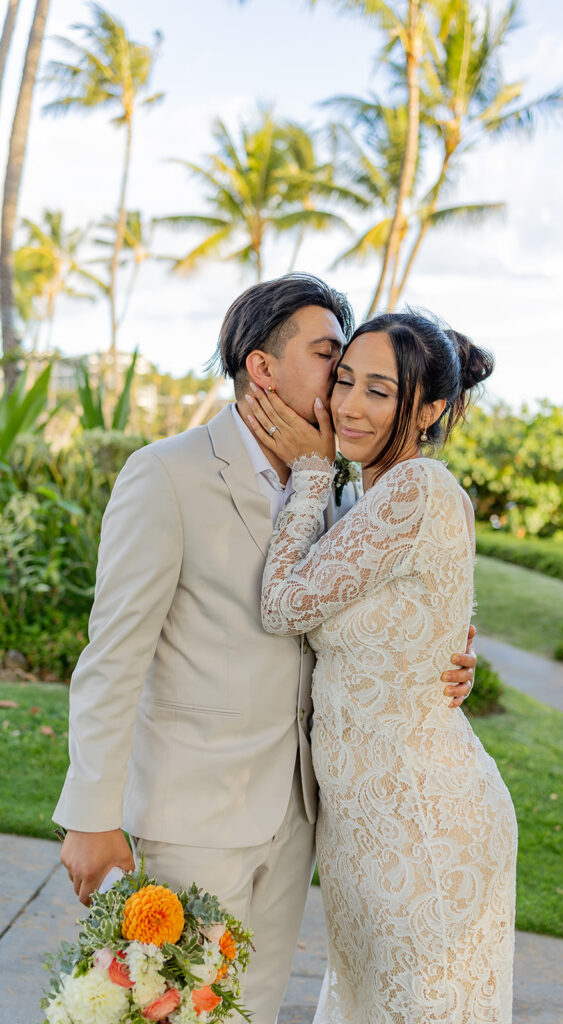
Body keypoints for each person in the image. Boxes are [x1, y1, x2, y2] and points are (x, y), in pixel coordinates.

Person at [54, 275, 478, 1024]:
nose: (342, 386)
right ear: (262, 368)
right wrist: (90, 813)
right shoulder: (168, 474)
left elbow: (372, 621)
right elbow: (113, 655)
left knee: (249, 1010)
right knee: (173, 1011)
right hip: (195, 811)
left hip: (301, 812)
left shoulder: (341, 493)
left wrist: (437, 662)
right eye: (329, 361)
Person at [249, 310, 517, 1024]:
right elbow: (427, 612)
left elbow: (282, 604)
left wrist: (309, 472)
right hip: (364, 827)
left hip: (423, 823)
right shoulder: (371, 498)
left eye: (378, 391)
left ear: (427, 409)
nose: (346, 406)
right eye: (342, 381)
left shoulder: (415, 487)